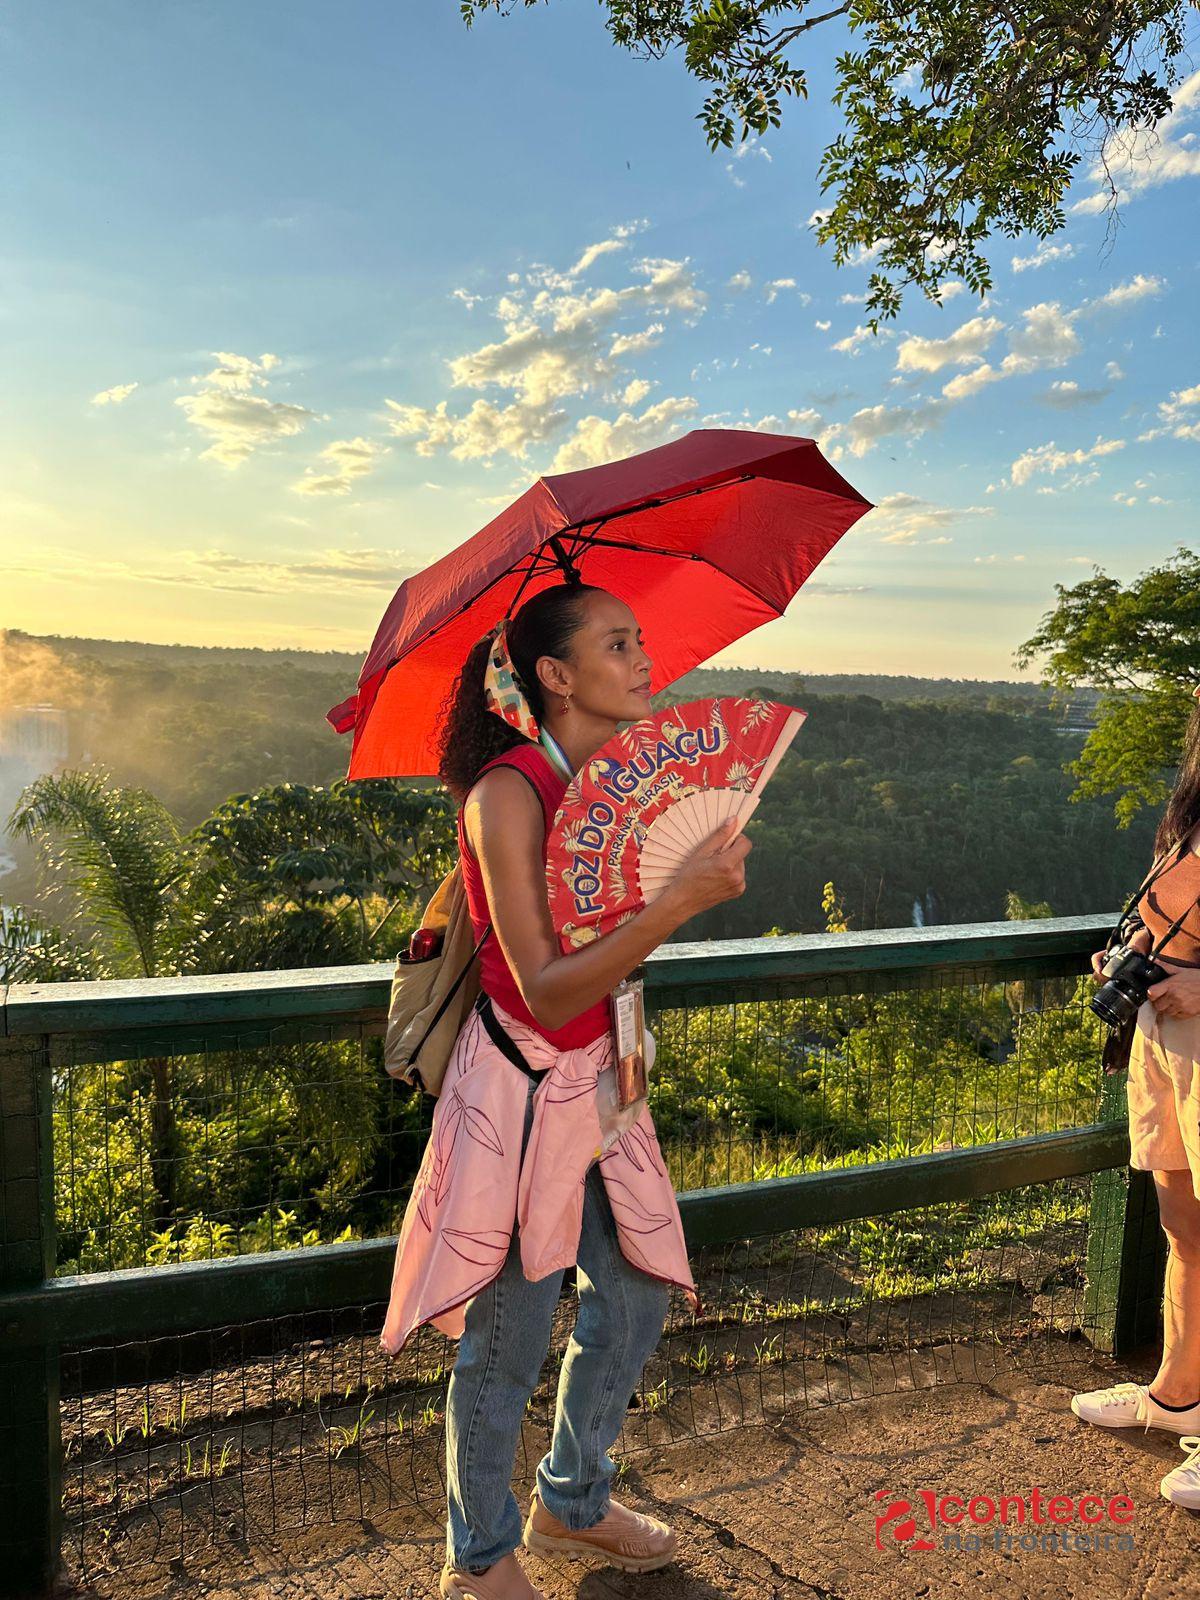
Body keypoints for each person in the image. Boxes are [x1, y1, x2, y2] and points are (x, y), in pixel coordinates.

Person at [379, 579, 752, 1600]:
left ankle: (571, 1500)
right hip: (522, 1093)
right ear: (554, 674)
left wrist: (673, 888)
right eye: (619, 643)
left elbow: (610, 962)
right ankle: (482, 1555)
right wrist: (675, 901)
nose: (644, 660)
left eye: (640, 641)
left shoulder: (610, 788)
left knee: (631, 1294)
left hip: (605, 1077)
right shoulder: (507, 792)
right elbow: (541, 988)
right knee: (510, 1328)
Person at [1072, 680, 1200, 1510]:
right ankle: (1177, 1393)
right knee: (1183, 1227)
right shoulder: (1190, 812)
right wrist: (1128, 955)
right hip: (1164, 1043)